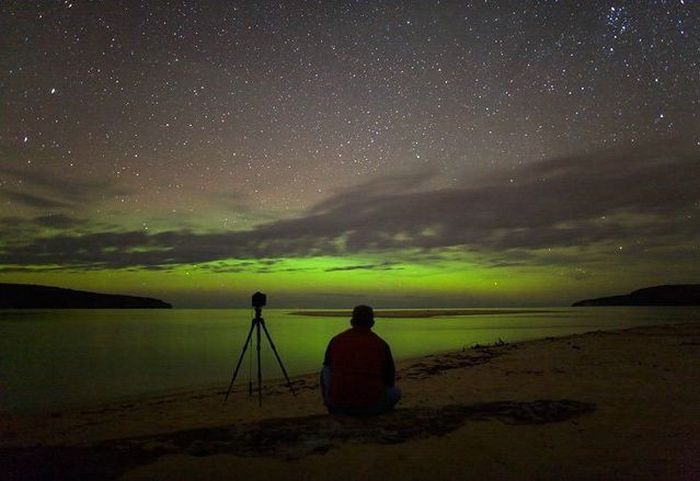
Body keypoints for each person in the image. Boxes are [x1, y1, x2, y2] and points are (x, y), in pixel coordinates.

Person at [321, 305, 401, 415]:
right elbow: (389, 379)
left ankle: (330, 402)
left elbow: (327, 369)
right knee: (395, 392)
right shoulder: (381, 344)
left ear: (352, 321)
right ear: (372, 323)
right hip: (371, 406)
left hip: (339, 406)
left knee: (326, 368)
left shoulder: (336, 340)